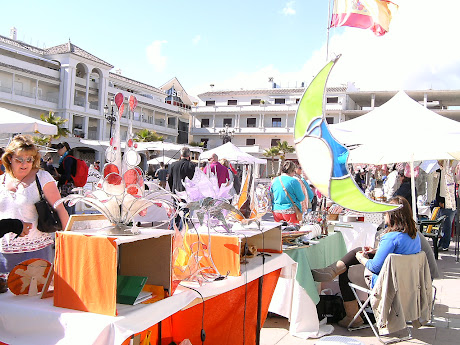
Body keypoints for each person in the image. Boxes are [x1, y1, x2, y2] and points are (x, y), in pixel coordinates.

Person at [311, 196, 421, 327]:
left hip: (386, 281)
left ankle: (352, 317)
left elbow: (374, 267)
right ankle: (331, 270)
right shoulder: (414, 236)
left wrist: (361, 258)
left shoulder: (390, 238)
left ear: (393, 215)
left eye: (385, 213)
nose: (384, 216)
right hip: (406, 281)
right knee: (360, 250)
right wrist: (375, 251)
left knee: (346, 272)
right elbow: (397, 254)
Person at [0, 135, 69, 272]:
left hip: (37, 251)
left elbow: (60, 209)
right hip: (4, 253)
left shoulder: (42, 178)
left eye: (29, 159)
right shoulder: (2, 180)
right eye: (19, 160)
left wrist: (67, 242)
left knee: (36, 292)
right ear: (9, 158)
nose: (24, 164)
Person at [168, 147, 196, 229]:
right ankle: (183, 231)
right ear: (189, 155)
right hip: (186, 193)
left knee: (176, 214)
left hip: (176, 192)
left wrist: (172, 190)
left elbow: (170, 179)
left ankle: (173, 231)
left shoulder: (173, 165)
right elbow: (193, 180)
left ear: (181, 154)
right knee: (185, 215)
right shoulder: (191, 165)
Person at [55, 142, 76, 214]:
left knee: (67, 207)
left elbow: (67, 175)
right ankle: (72, 223)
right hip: (72, 185)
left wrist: (59, 176)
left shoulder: (67, 159)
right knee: (71, 205)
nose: (58, 151)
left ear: (64, 148)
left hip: (67, 186)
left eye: (59, 149)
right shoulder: (68, 158)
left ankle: (68, 223)